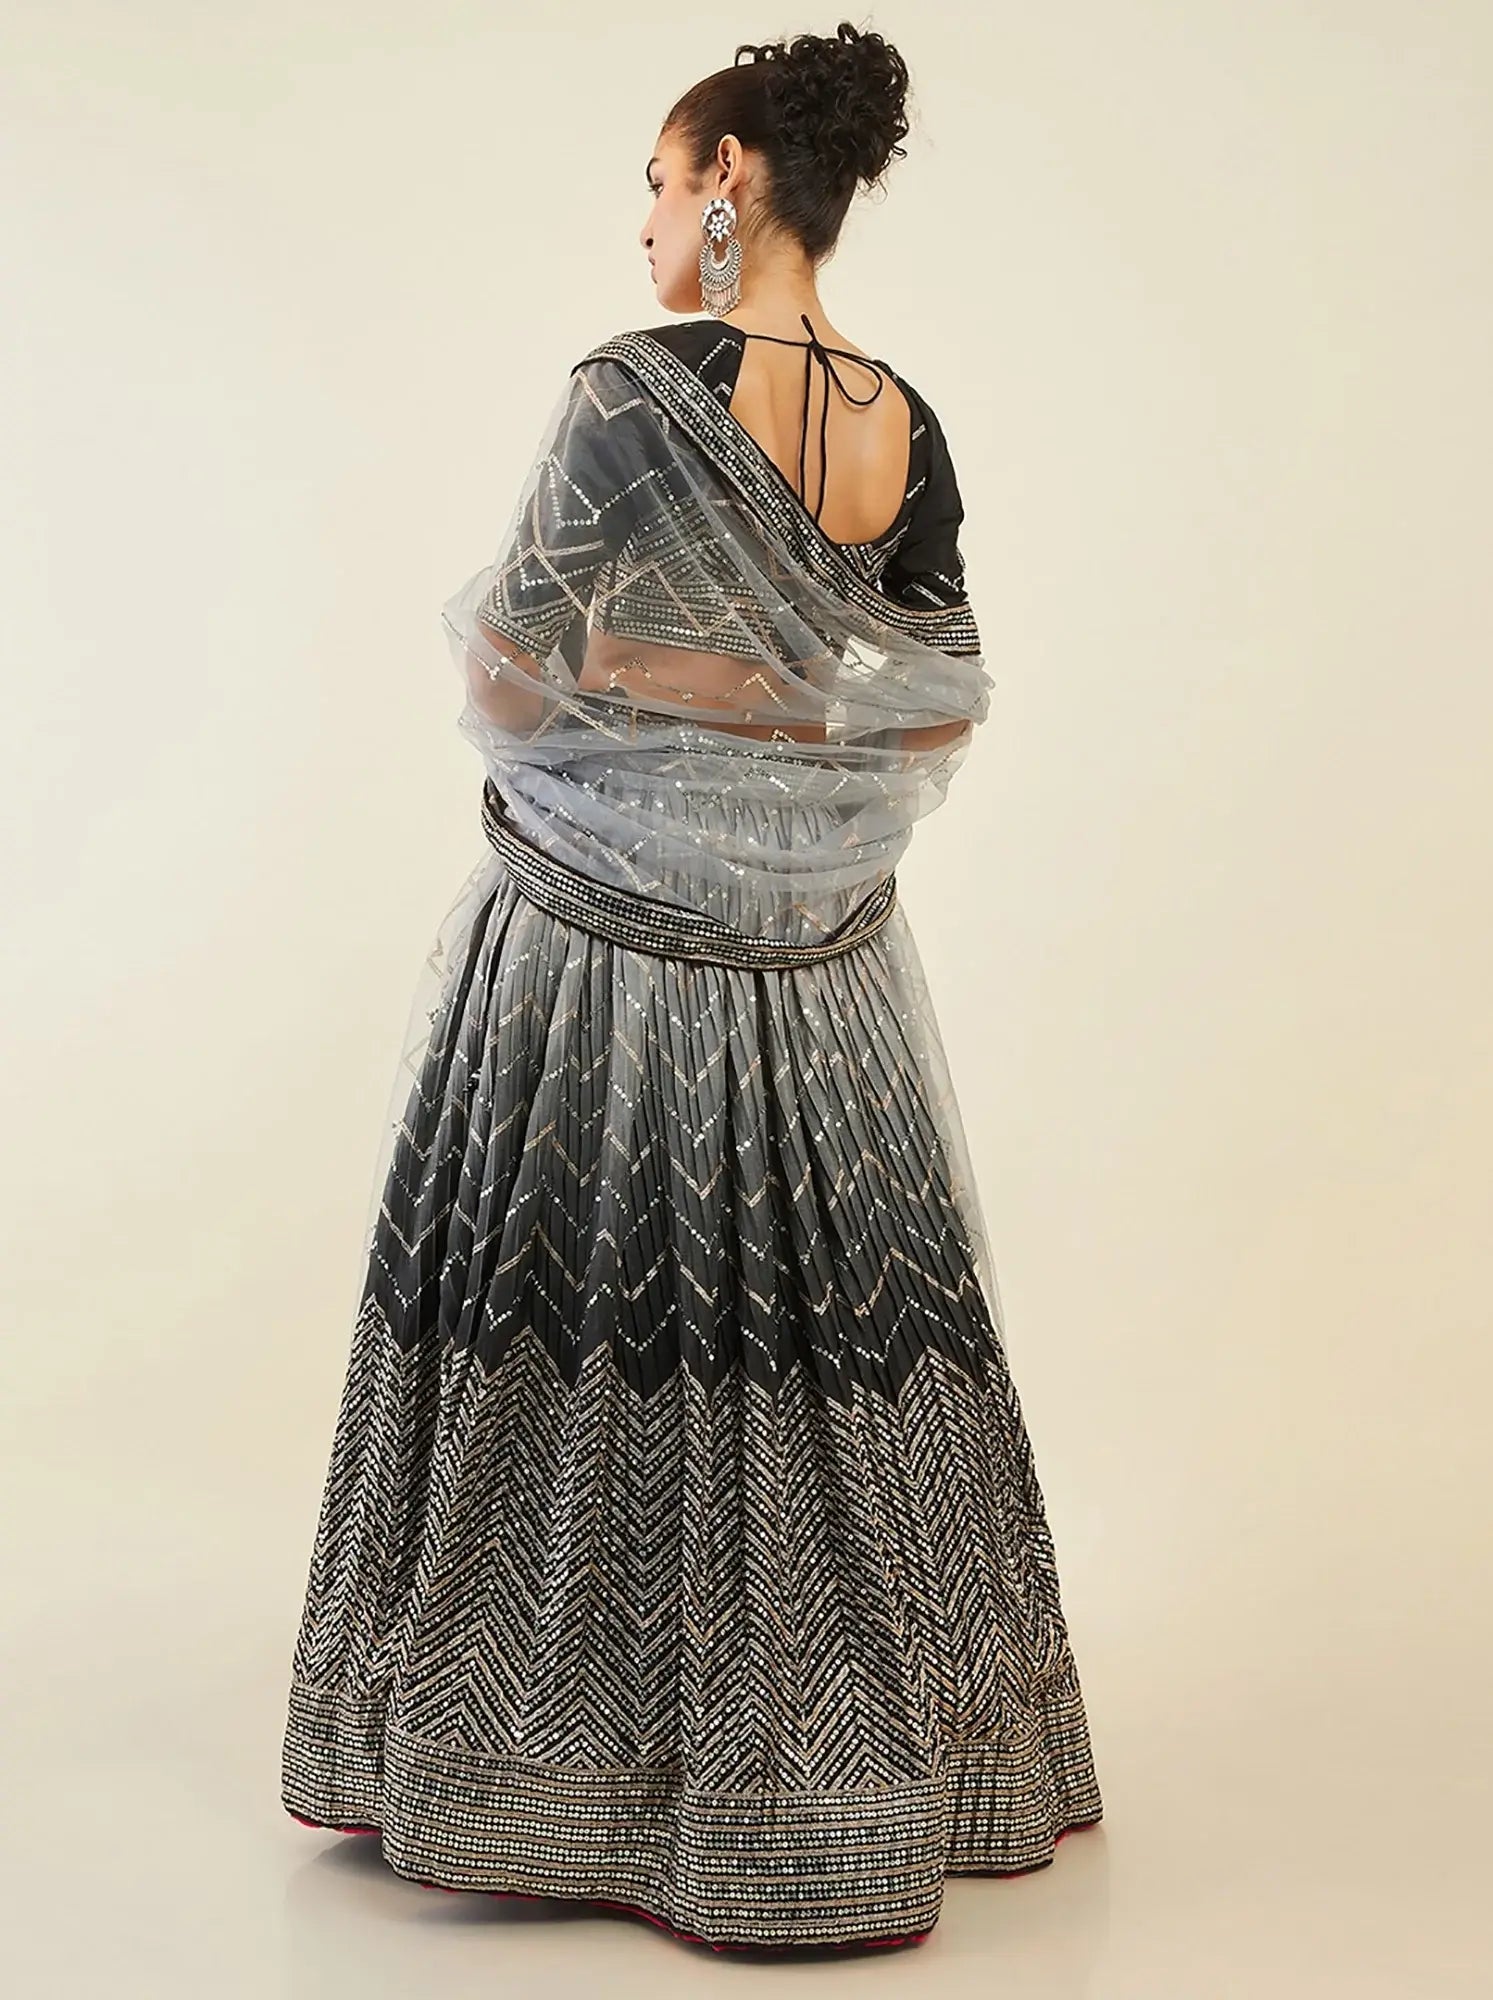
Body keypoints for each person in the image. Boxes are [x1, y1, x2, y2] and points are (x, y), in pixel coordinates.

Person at [279, 20, 1103, 1956]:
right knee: (826, 1366)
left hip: (599, 966)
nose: (644, 220)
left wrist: (653, 674)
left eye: (659, 181)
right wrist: (789, 698)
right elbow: (929, 714)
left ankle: (533, 1767)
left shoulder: (631, 392)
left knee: (572, 1334)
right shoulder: (906, 429)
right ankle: (871, 1761)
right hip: (822, 993)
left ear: (731, 181)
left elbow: (506, 680)